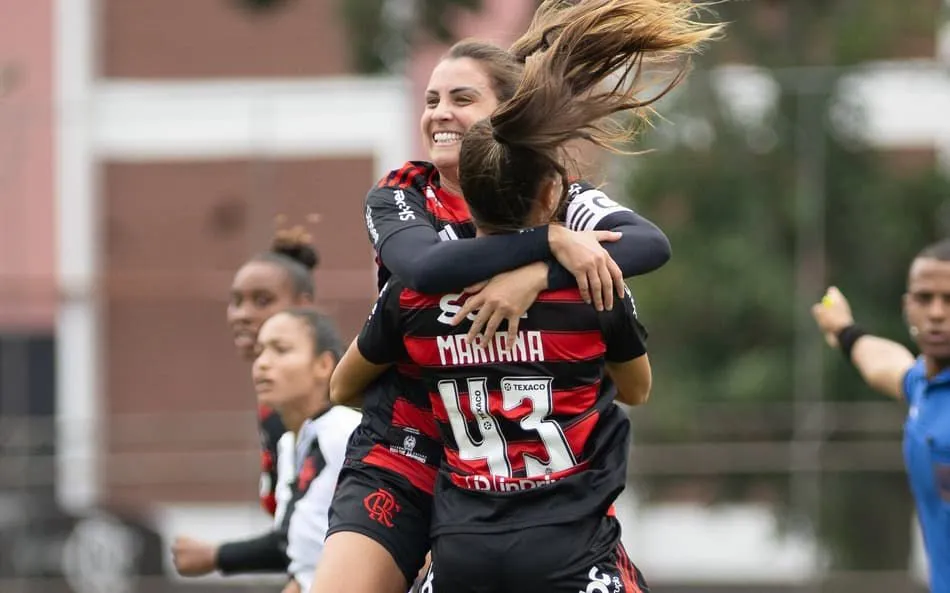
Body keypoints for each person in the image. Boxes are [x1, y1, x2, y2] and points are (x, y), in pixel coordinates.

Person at [329, 1, 720, 590]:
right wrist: (548, 245)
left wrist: (538, 272)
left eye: (462, 100)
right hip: (407, 448)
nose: (439, 114)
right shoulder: (402, 195)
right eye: (432, 99)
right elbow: (425, 267)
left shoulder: (561, 196)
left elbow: (649, 244)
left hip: (521, 483)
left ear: (504, 117)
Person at [174, 308, 360, 593]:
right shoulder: (289, 445)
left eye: (280, 350)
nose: (262, 363)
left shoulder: (348, 432)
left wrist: (215, 556)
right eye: (260, 352)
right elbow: (302, 559)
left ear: (324, 365)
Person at [171, 228, 319, 576]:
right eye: (236, 301)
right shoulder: (274, 402)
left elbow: (317, 536)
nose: (242, 314)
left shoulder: (322, 404)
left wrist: (216, 555)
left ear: (304, 307)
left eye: (262, 300)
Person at [812, 239, 950, 593]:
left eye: (949, 300)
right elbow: (887, 365)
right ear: (907, 307)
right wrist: (844, 331)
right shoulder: (926, 384)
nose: (936, 312)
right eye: (925, 298)